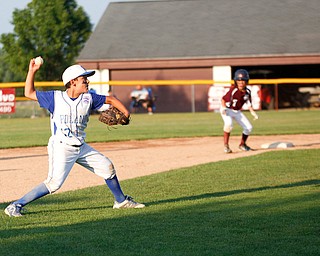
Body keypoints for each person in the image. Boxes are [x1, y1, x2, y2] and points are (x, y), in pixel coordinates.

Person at [4, 58, 145, 217]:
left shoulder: (89, 98)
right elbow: (28, 93)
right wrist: (32, 71)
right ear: (72, 82)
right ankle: (15, 205)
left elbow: (111, 99)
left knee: (107, 167)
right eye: (84, 79)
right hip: (62, 147)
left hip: (81, 146)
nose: (87, 81)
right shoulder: (55, 98)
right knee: (53, 184)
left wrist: (125, 112)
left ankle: (121, 201)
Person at [220, 69, 259, 153]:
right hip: (227, 109)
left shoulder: (247, 92)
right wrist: (223, 108)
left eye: (243, 80)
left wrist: (252, 112)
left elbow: (248, 102)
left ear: (246, 81)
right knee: (229, 124)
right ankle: (226, 146)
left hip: (237, 111)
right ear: (235, 81)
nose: (241, 83)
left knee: (249, 127)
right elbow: (223, 99)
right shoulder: (233, 90)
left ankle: (242, 144)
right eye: (239, 80)